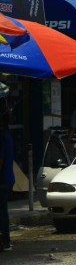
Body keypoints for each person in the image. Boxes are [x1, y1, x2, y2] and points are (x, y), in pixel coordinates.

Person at [0, 94, 14, 252]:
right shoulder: (7, 135)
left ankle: (5, 241)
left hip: (3, 179)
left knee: (2, 211)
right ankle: (5, 241)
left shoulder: (2, 137)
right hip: (7, 178)